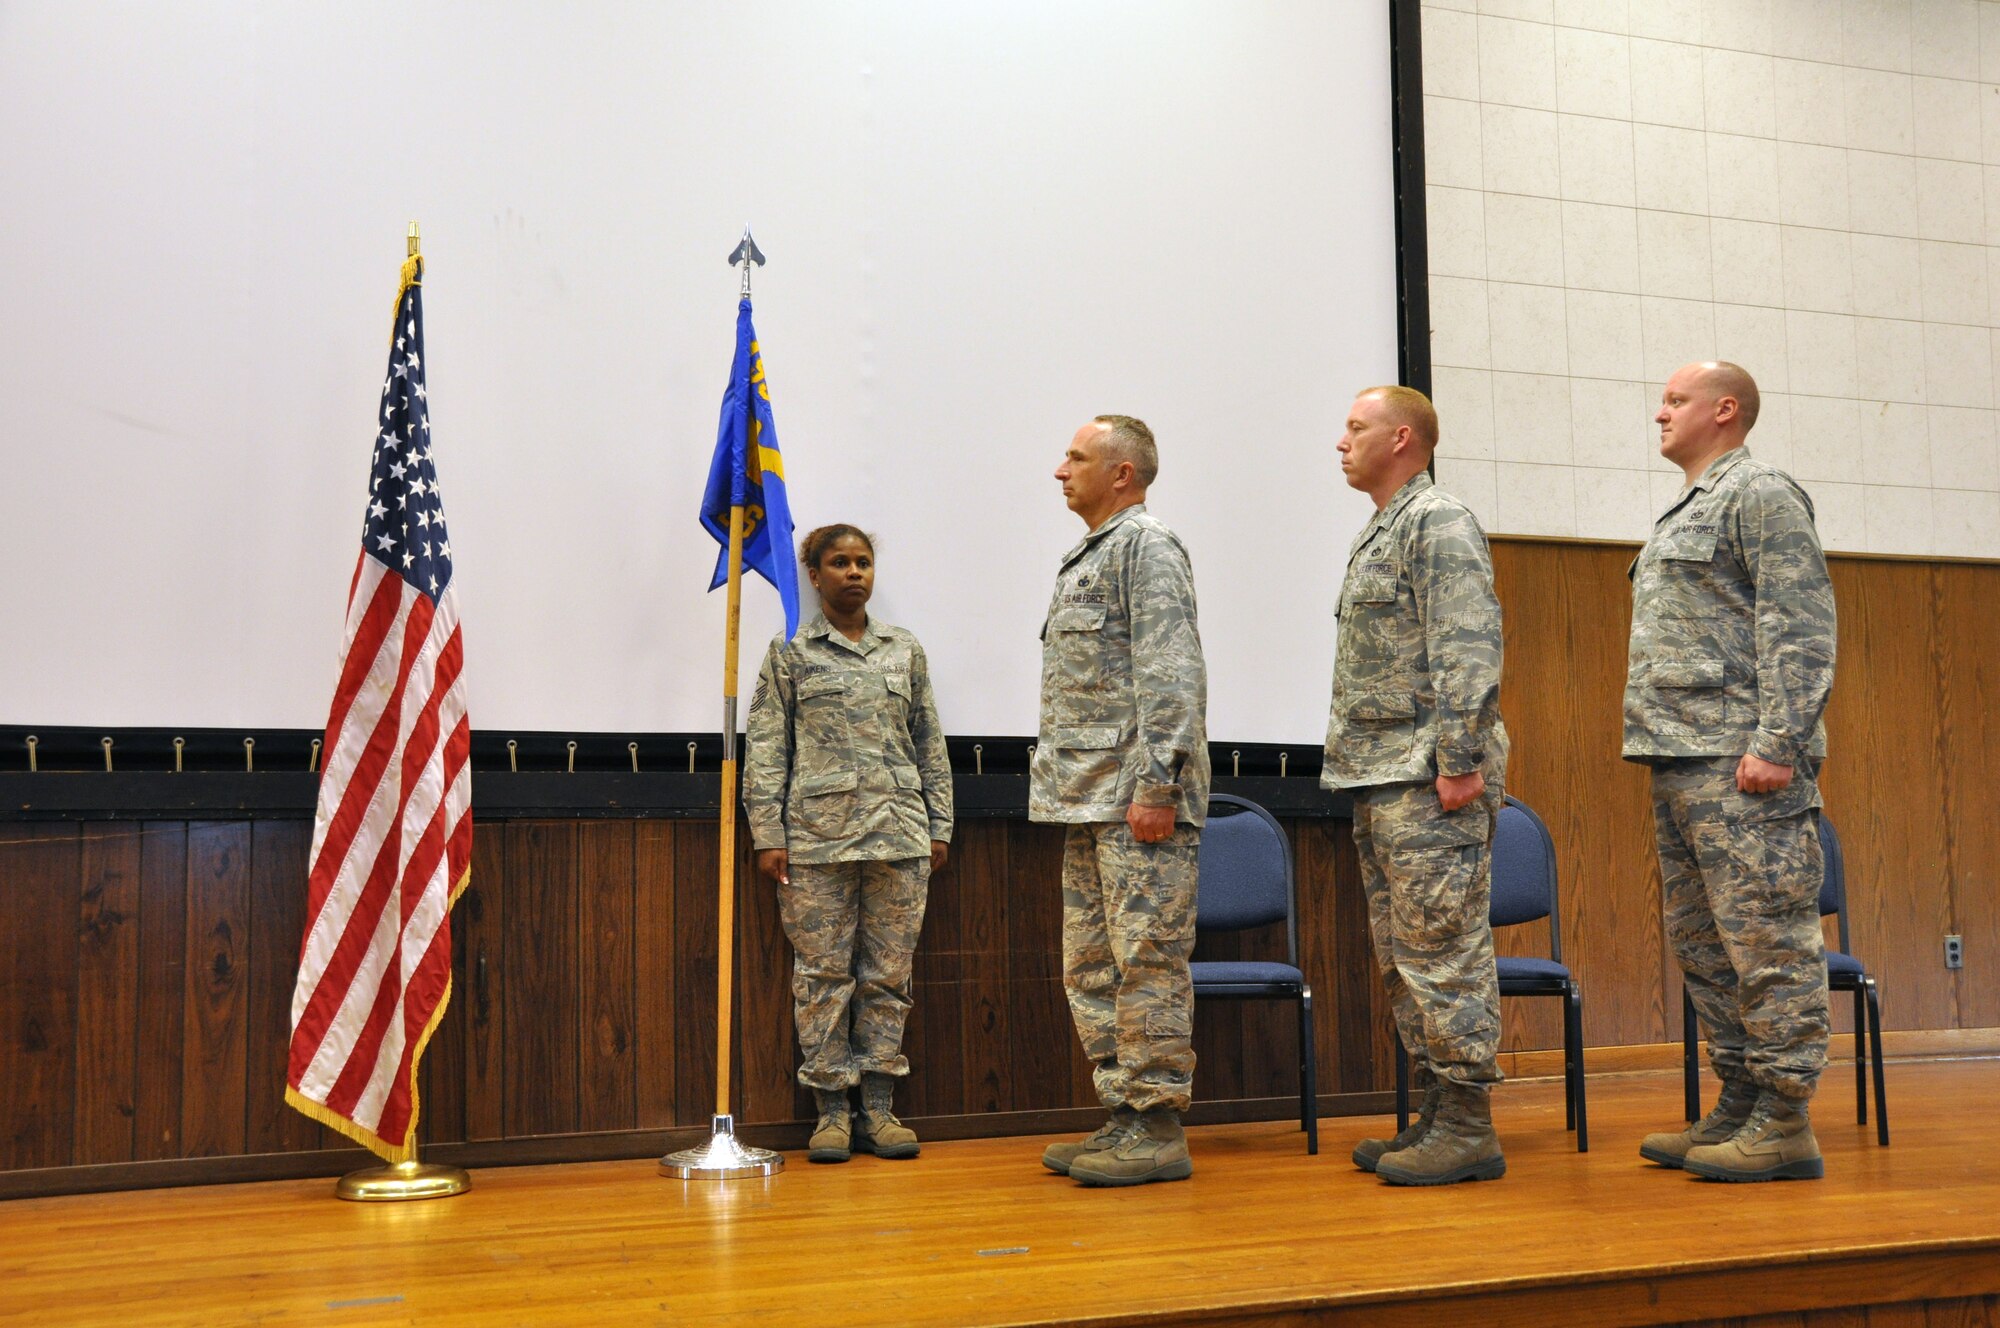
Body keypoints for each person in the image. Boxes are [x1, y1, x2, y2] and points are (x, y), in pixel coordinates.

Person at [1629, 361, 1837, 1182]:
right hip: (1683, 757)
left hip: (1743, 764)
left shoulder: (1762, 494)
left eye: (1675, 400)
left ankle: (1787, 1117)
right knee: (1707, 945)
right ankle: (1742, 1099)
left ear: (1725, 410)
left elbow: (1802, 624)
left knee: (1768, 942)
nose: (1660, 413)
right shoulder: (1689, 504)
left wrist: (1778, 744)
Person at [1322, 385, 1510, 1186]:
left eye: (1355, 428)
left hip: (1429, 775)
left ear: (1402, 438)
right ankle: (1437, 1110)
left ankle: (1469, 1123)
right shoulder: (1383, 530)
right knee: (1406, 957)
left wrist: (1461, 758)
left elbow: (1468, 642)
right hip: (1382, 772)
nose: (1341, 441)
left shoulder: (1437, 521)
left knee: (1445, 951)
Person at [1032, 415, 1209, 1188]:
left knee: (1147, 963)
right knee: (1093, 968)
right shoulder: (1088, 556)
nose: (1059, 469)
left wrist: (1158, 785)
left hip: (1137, 799)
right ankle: (1126, 1115)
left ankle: (1160, 1123)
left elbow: (1171, 674)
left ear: (1122, 474)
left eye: (1075, 457)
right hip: (1086, 798)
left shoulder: (1148, 547)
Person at [746, 524, 953, 1164]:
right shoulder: (790, 651)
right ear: (814, 575)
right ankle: (832, 1111)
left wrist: (939, 825)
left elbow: (929, 745)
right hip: (814, 843)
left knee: (888, 977)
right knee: (823, 977)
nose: (854, 573)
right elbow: (766, 749)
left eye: (863, 562)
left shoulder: (904, 650)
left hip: (899, 837)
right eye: (839, 562)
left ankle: (881, 1109)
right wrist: (767, 833)